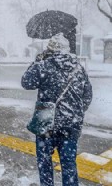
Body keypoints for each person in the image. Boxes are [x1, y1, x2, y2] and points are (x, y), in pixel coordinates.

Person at [21, 33, 92, 186]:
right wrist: (74, 112)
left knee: (45, 165)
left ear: (50, 49)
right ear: (67, 49)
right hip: (70, 125)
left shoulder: (42, 66)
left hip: (46, 124)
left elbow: (26, 82)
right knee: (69, 166)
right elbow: (87, 96)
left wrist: (37, 61)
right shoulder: (79, 69)